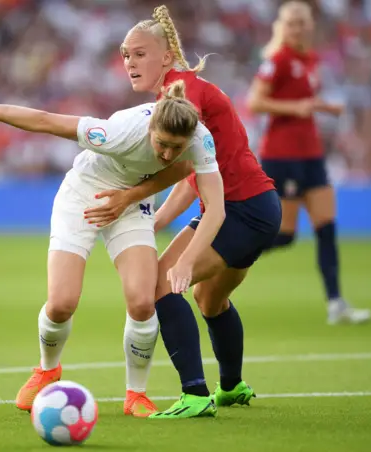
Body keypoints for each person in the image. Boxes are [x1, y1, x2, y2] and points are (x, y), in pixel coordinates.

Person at [0, 82, 224, 418]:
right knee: (61, 303)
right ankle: (47, 370)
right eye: (162, 144)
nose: (168, 154)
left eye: (177, 147)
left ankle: (136, 394)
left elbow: (192, 175)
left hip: (130, 204)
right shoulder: (117, 132)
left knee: (143, 301)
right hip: (83, 197)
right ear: (150, 129)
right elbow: (43, 120)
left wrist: (131, 200)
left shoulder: (199, 139)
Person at [83, 5, 279, 418]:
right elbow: (195, 177)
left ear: (167, 55)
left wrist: (131, 197)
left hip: (239, 210)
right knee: (209, 300)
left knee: (161, 284)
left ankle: (194, 394)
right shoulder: (179, 91)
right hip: (255, 207)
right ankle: (230, 386)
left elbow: (188, 168)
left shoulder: (181, 96)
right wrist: (154, 221)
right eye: (125, 54)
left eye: (139, 53)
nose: (129, 62)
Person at [246, 0, 371, 325]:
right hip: (281, 156)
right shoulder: (278, 60)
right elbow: (255, 102)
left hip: (311, 154)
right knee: (284, 236)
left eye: (303, 24)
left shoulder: (311, 60)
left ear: (310, 27)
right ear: (283, 28)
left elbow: (303, 103)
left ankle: (335, 303)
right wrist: (297, 108)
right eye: (292, 24)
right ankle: (223, 256)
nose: (298, 29)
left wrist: (324, 108)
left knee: (327, 229)